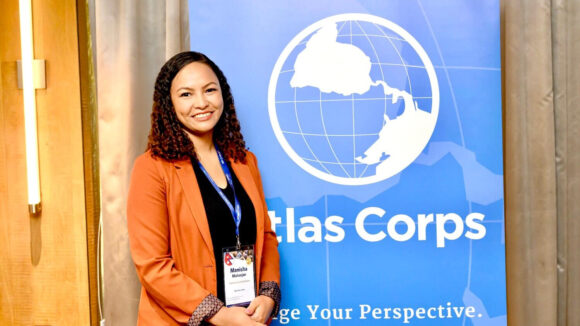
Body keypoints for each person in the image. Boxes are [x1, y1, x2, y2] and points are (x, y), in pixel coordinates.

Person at [127, 51, 281, 326]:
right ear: (169, 104)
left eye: (210, 90)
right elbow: (152, 265)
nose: (201, 103)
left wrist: (268, 295)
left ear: (223, 95)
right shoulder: (152, 168)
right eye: (186, 94)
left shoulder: (244, 161)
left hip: (246, 317)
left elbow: (265, 236)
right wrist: (218, 314)